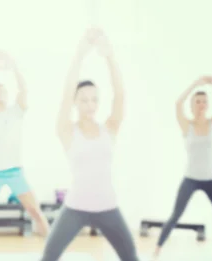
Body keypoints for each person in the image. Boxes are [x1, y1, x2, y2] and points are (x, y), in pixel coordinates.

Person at [41, 28, 139, 261]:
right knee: (48, 257)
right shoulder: (67, 131)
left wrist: (109, 56)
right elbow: (66, 93)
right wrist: (80, 54)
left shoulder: (109, 129)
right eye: (83, 99)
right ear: (75, 102)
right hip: (75, 207)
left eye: (94, 99)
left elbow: (121, 95)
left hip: (108, 207)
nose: (90, 104)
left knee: (132, 258)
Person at [154, 75, 212, 261]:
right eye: (197, 102)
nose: (201, 104)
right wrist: (194, 84)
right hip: (190, 178)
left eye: (204, 102)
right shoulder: (186, 125)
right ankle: (156, 251)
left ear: (207, 105)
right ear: (193, 105)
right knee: (175, 216)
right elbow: (177, 103)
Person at [0, 50, 50, 236]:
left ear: (7, 95)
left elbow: (23, 90)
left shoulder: (16, 112)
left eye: (2, 91)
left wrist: (13, 66)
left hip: (15, 172)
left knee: (36, 212)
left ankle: (52, 249)